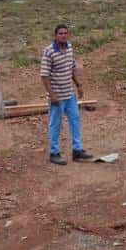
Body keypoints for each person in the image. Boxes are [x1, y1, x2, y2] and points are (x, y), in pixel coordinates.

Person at [40, 24, 94, 165]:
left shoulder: (69, 47)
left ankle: (77, 150)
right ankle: (54, 153)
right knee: (55, 124)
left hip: (69, 94)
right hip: (57, 97)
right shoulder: (49, 51)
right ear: (55, 35)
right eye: (60, 33)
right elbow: (44, 76)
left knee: (75, 121)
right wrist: (52, 95)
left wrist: (79, 85)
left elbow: (71, 69)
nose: (63, 35)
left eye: (65, 33)